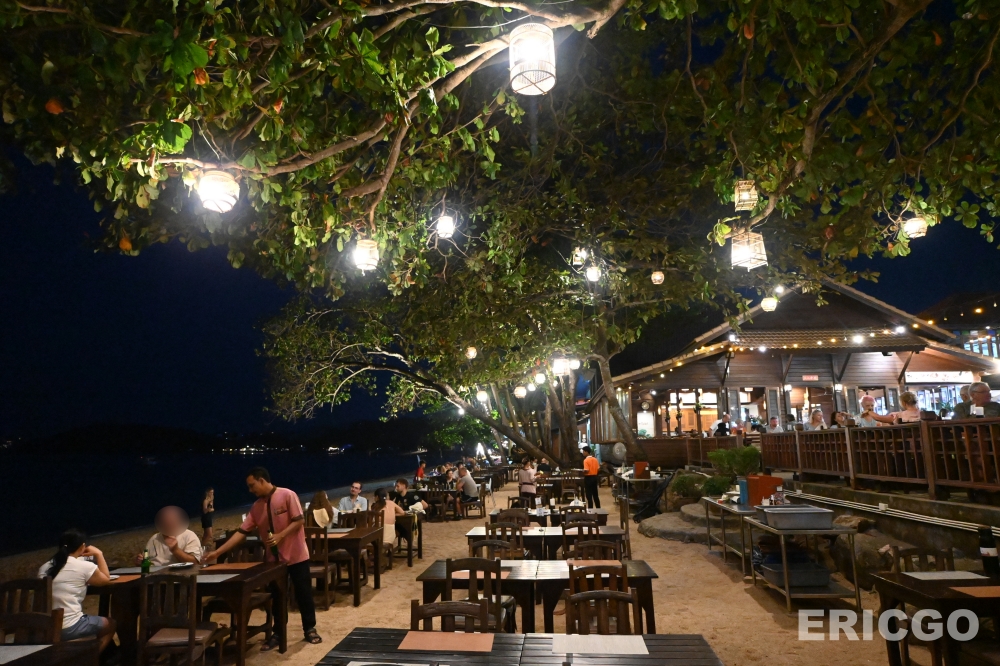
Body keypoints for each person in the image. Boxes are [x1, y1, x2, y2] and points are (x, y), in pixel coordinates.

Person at [203, 466, 321, 648]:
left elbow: (299, 521)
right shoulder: (257, 507)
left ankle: (310, 629)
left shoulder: (287, 495)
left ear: (262, 480)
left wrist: (280, 535)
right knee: (277, 598)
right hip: (274, 561)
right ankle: (278, 633)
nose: (251, 490)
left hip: (297, 556)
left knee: (303, 593)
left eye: (252, 485)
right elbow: (241, 532)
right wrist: (218, 552)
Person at [39, 529, 117, 650]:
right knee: (110, 624)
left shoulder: (44, 567)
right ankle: (90, 658)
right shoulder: (84, 566)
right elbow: (105, 579)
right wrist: (99, 554)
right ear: (82, 547)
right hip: (68, 627)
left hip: (43, 627)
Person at [137, 506, 202, 566]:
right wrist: (140, 562)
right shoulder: (154, 538)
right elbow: (145, 561)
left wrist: (175, 550)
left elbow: (195, 563)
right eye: (165, 521)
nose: (168, 523)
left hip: (178, 573)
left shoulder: (189, 536)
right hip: (154, 573)